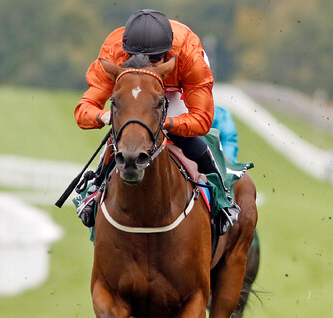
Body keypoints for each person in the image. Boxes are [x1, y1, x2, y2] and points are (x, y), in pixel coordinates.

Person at [74, 9, 239, 234]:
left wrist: (165, 123)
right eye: (140, 59)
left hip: (177, 89)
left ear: (167, 52)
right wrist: (105, 116)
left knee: (188, 139)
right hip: (136, 92)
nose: (148, 65)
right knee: (122, 138)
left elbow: (201, 120)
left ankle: (222, 196)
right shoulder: (114, 50)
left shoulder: (188, 52)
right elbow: (84, 110)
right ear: (125, 53)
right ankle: (95, 191)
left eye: (154, 59)